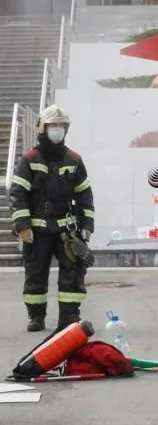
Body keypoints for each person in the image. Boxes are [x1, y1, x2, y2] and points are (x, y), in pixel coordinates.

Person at [8, 104, 95, 332]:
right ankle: (36, 317)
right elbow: (18, 194)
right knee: (35, 272)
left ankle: (69, 317)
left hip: (67, 230)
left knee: (72, 273)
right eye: (52, 125)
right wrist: (22, 226)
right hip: (36, 229)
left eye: (61, 125)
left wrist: (87, 225)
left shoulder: (74, 160)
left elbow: (85, 194)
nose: (57, 129)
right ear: (42, 128)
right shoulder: (29, 159)